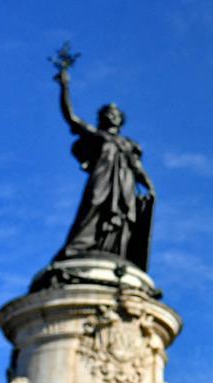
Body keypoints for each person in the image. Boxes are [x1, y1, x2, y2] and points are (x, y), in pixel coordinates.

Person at [53, 66, 155, 270]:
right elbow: (71, 117)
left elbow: (137, 167)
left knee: (124, 217)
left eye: (116, 114)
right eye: (108, 113)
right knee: (94, 204)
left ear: (121, 120)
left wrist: (149, 186)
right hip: (103, 179)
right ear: (101, 117)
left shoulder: (128, 144)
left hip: (125, 183)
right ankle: (81, 248)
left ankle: (116, 253)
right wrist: (64, 86)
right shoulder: (97, 135)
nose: (112, 116)